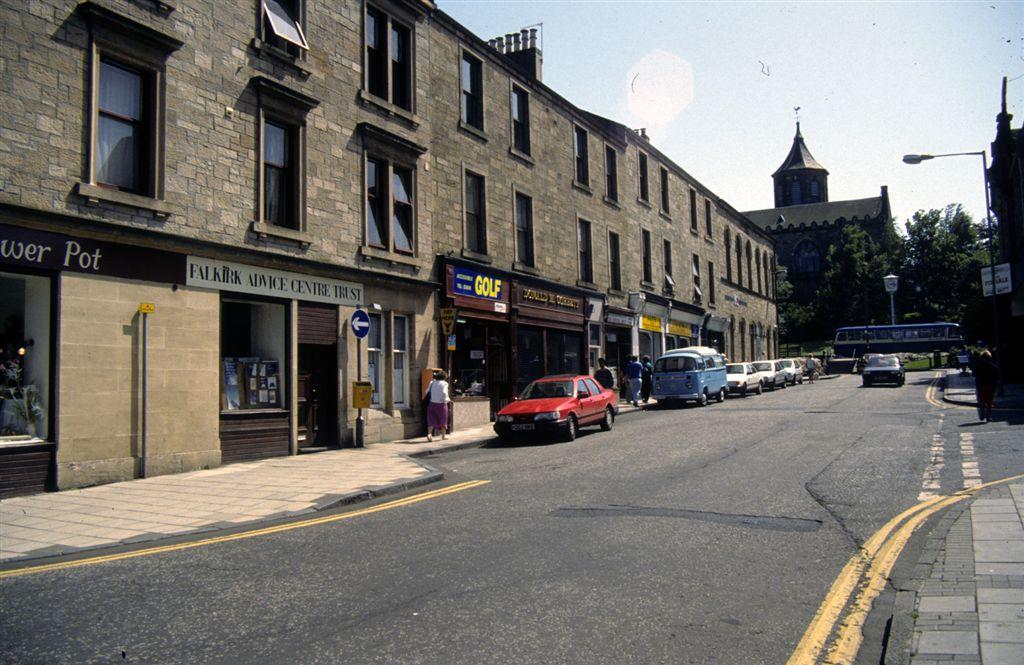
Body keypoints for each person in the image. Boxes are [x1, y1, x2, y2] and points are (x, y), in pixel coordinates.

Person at [425, 370, 451, 441]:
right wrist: (447, 400)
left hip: (432, 404)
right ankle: (443, 436)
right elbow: (444, 392)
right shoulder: (445, 383)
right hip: (441, 404)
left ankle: (429, 434)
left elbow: (426, 392)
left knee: (431, 419)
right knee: (443, 419)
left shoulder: (432, 382)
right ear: (444, 377)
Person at [972, 350, 998, 422]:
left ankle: (982, 415)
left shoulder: (978, 365)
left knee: (981, 401)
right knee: (989, 402)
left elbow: (974, 374)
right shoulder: (992, 366)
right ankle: (988, 417)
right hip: (990, 385)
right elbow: (996, 375)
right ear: (989, 357)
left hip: (980, 385)